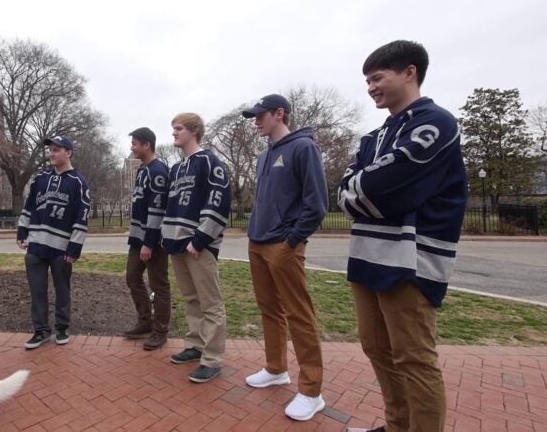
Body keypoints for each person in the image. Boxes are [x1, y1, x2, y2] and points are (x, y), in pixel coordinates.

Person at [339, 40, 468, 432]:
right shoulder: (373, 137)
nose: (371, 87)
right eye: (367, 81)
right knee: (376, 349)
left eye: (377, 77)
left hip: (411, 262)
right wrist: (367, 190)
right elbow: (345, 193)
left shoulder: (435, 121)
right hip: (367, 256)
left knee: (413, 358)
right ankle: (397, 425)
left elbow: (391, 185)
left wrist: (365, 190)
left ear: (409, 72)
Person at [241, 94, 329, 421]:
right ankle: (276, 368)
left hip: (284, 245)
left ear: (280, 113)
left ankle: (311, 390)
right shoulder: (265, 155)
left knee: (299, 314)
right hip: (257, 241)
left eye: (261, 115)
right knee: (269, 309)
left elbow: (317, 204)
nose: (256, 120)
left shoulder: (303, 147)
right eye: (254, 116)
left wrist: (292, 240)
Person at [161, 113, 232, 383]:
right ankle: (195, 345)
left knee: (211, 304)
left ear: (194, 131)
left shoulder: (210, 162)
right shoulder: (176, 169)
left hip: (198, 245)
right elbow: (172, 205)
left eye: (178, 128)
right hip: (176, 244)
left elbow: (219, 202)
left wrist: (201, 238)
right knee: (191, 299)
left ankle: (212, 359)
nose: (174, 134)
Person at [17, 136, 91, 349]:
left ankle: (62, 327)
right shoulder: (40, 179)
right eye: (50, 149)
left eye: (57, 149)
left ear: (68, 152)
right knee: (37, 290)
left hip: (62, 248)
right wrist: (22, 231)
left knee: (62, 289)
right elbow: (28, 207)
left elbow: (81, 216)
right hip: (36, 246)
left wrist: (75, 247)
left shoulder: (78, 182)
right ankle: (40, 331)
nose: (51, 153)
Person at [122, 127, 171, 350]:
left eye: (135, 143)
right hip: (138, 238)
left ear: (146, 145)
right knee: (132, 276)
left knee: (159, 285)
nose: (132, 147)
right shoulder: (143, 170)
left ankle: (160, 331)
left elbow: (157, 210)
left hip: (154, 241)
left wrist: (149, 243)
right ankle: (145, 321)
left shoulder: (158, 171)